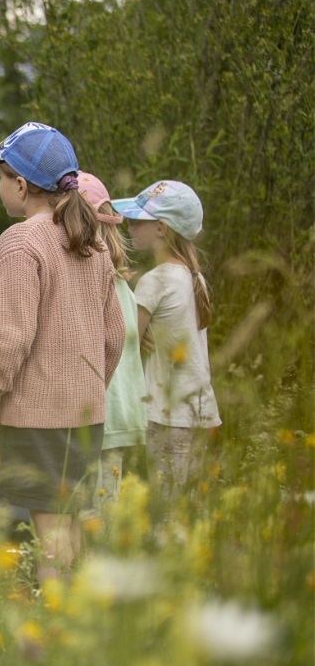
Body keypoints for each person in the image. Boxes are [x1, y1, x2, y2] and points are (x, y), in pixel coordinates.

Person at [0, 123, 124, 584]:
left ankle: (54, 632)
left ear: (20, 184)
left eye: (0, 175)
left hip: (38, 418)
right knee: (69, 523)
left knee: (49, 530)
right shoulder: (94, 243)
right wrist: (90, 388)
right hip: (86, 415)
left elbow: (14, 333)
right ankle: (73, 623)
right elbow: (114, 334)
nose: (0, 186)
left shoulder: (20, 241)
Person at [111, 180, 220, 502]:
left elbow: (123, 339)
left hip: (167, 414)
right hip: (201, 411)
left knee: (168, 507)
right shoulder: (193, 276)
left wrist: (138, 336)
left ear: (161, 228)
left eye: (137, 220)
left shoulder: (155, 281)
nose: (129, 226)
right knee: (191, 505)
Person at [78, 172, 147, 509]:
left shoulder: (93, 287)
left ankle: (88, 559)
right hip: (117, 413)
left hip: (96, 412)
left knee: (89, 506)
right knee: (106, 500)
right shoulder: (123, 287)